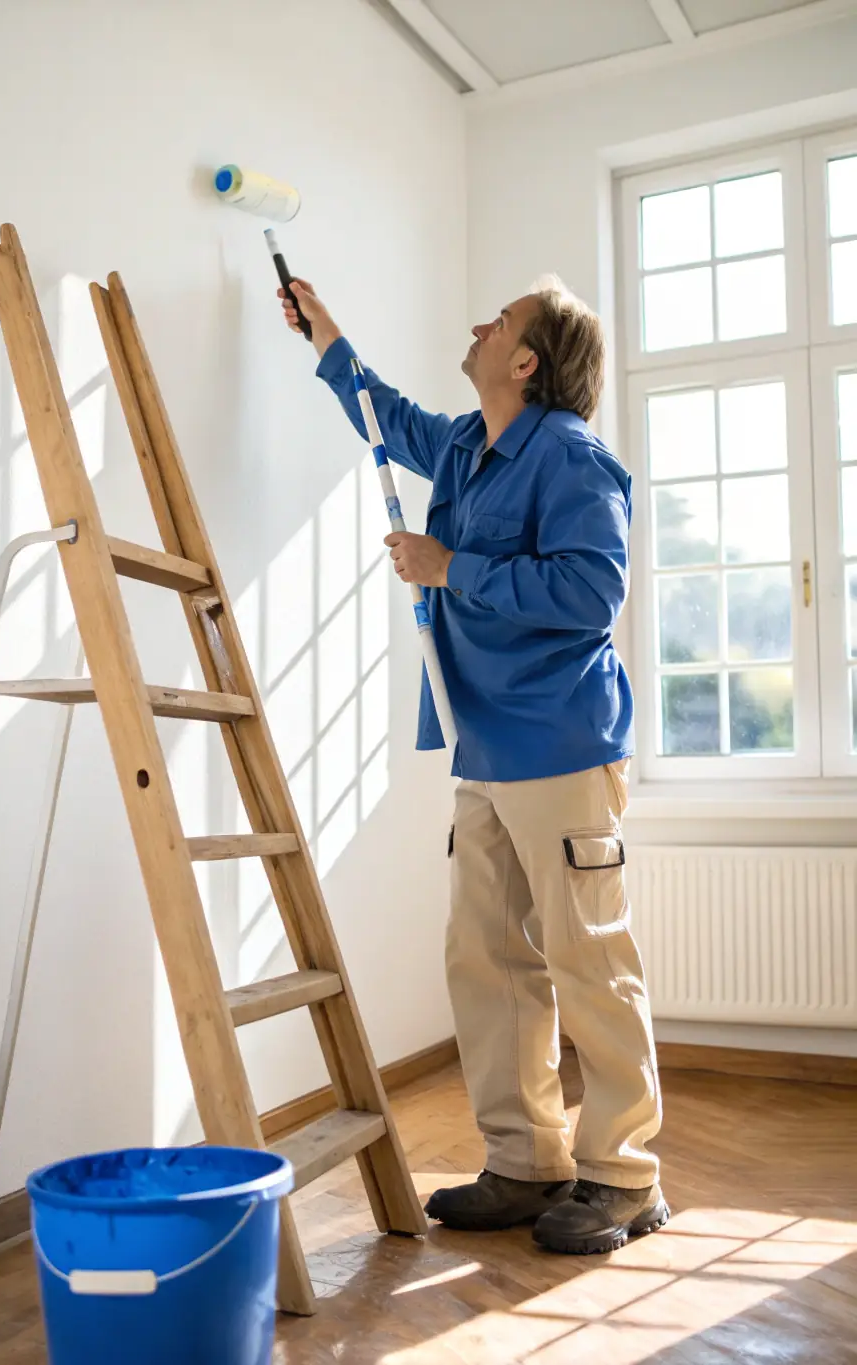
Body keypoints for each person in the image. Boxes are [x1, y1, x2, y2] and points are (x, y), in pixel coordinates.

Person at [279, 274, 667, 1256]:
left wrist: (452, 567)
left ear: (525, 361)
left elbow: (588, 595)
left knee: (589, 961)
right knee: (487, 962)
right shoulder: (465, 444)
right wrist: (326, 334)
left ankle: (622, 1176)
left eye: (498, 323)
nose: (478, 327)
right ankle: (527, 1161)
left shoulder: (574, 462)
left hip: (563, 745)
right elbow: (386, 418)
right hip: (484, 746)